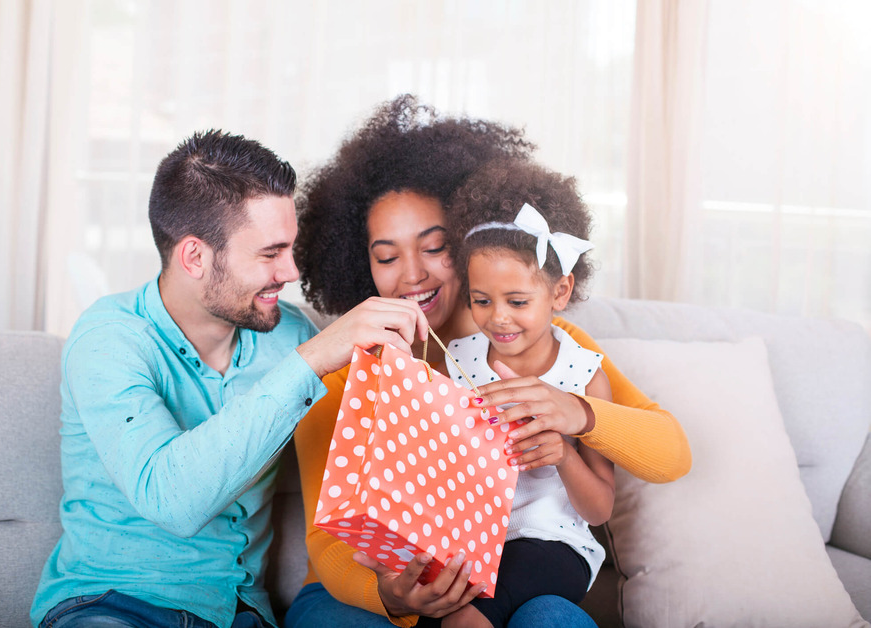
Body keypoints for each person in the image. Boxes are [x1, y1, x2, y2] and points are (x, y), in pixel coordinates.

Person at [287, 95, 691, 628]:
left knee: (553, 619)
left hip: (506, 578)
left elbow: (671, 454)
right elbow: (325, 536)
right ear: (360, 262)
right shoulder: (343, 368)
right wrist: (392, 595)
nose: (411, 275)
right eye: (386, 257)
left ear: (469, 241)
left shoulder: (539, 342)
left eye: (433, 247)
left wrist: (579, 415)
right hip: (373, 597)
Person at [29, 129, 429, 628]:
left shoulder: (290, 336)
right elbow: (171, 501)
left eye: (291, 249)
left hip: (241, 616)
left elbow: (358, 477)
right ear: (194, 257)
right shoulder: (109, 339)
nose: (291, 272)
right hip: (112, 606)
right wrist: (308, 363)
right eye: (269, 253)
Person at [437, 159, 614, 628]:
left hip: (552, 546)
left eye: (517, 302)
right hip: (471, 542)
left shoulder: (584, 374)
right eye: (481, 300)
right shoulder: (456, 360)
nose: (498, 318)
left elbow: (600, 508)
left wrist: (564, 455)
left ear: (559, 292)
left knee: (465, 619)